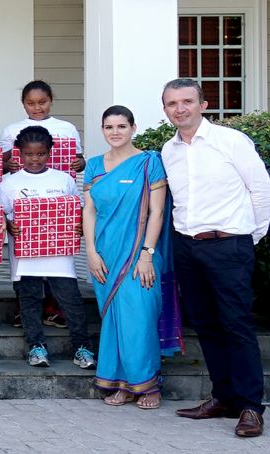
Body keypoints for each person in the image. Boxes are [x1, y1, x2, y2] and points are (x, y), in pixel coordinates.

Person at [160, 78, 270, 438]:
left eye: (186, 101)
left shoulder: (231, 141)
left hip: (229, 246)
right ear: (165, 110)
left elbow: (262, 191)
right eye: (171, 103)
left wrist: (246, 238)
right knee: (206, 325)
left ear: (203, 104)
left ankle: (251, 407)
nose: (180, 109)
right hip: (188, 247)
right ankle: (223, 397)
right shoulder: (169, 150)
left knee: (236, 326)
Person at [83, 105, 173, 410]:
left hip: (139, 254)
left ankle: (148, 386)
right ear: (102, 130)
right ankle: (122, 384)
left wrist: (147, 254)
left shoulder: (149, 163)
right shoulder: (95, 166)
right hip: (105, 254)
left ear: (133, 128)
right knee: (114, 320)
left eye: (121, 126)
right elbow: (90, 210)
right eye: (109, 127)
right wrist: (91, 253)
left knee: (139, 318)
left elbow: (156, 212)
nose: (115, 132)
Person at [0, 126, 94, 370]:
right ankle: (36, 346)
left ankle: (81, 347)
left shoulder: (62, 179)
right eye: (29, 154)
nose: (35, 159)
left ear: (49, 153)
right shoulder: (9, 182)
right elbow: (1, 213)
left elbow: (77, 210)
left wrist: (78, 226)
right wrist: (9, 224)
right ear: (19, 154)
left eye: (41, 154)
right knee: (29, 299)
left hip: (60, 255)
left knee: (70, 299)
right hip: (25, 256)